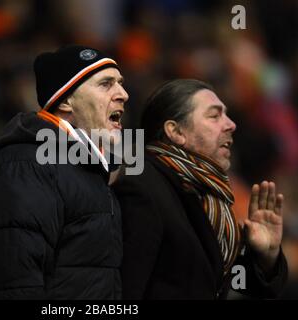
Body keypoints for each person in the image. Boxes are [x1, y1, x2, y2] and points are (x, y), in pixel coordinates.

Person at [0, 45, 129, 299]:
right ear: (66, 101)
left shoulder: (83, 169)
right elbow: (10, 286)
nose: (123, 94)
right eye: (106, 84)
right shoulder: (24, 166)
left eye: (121, 83)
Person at [113, 79, 288, 299]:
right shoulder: (143, 186)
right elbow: (125, 291)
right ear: (176, 131)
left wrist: (265, 257)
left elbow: (233, 284)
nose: (231, 124)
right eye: (214, 116)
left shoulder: (208, 195)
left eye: (226, 114)